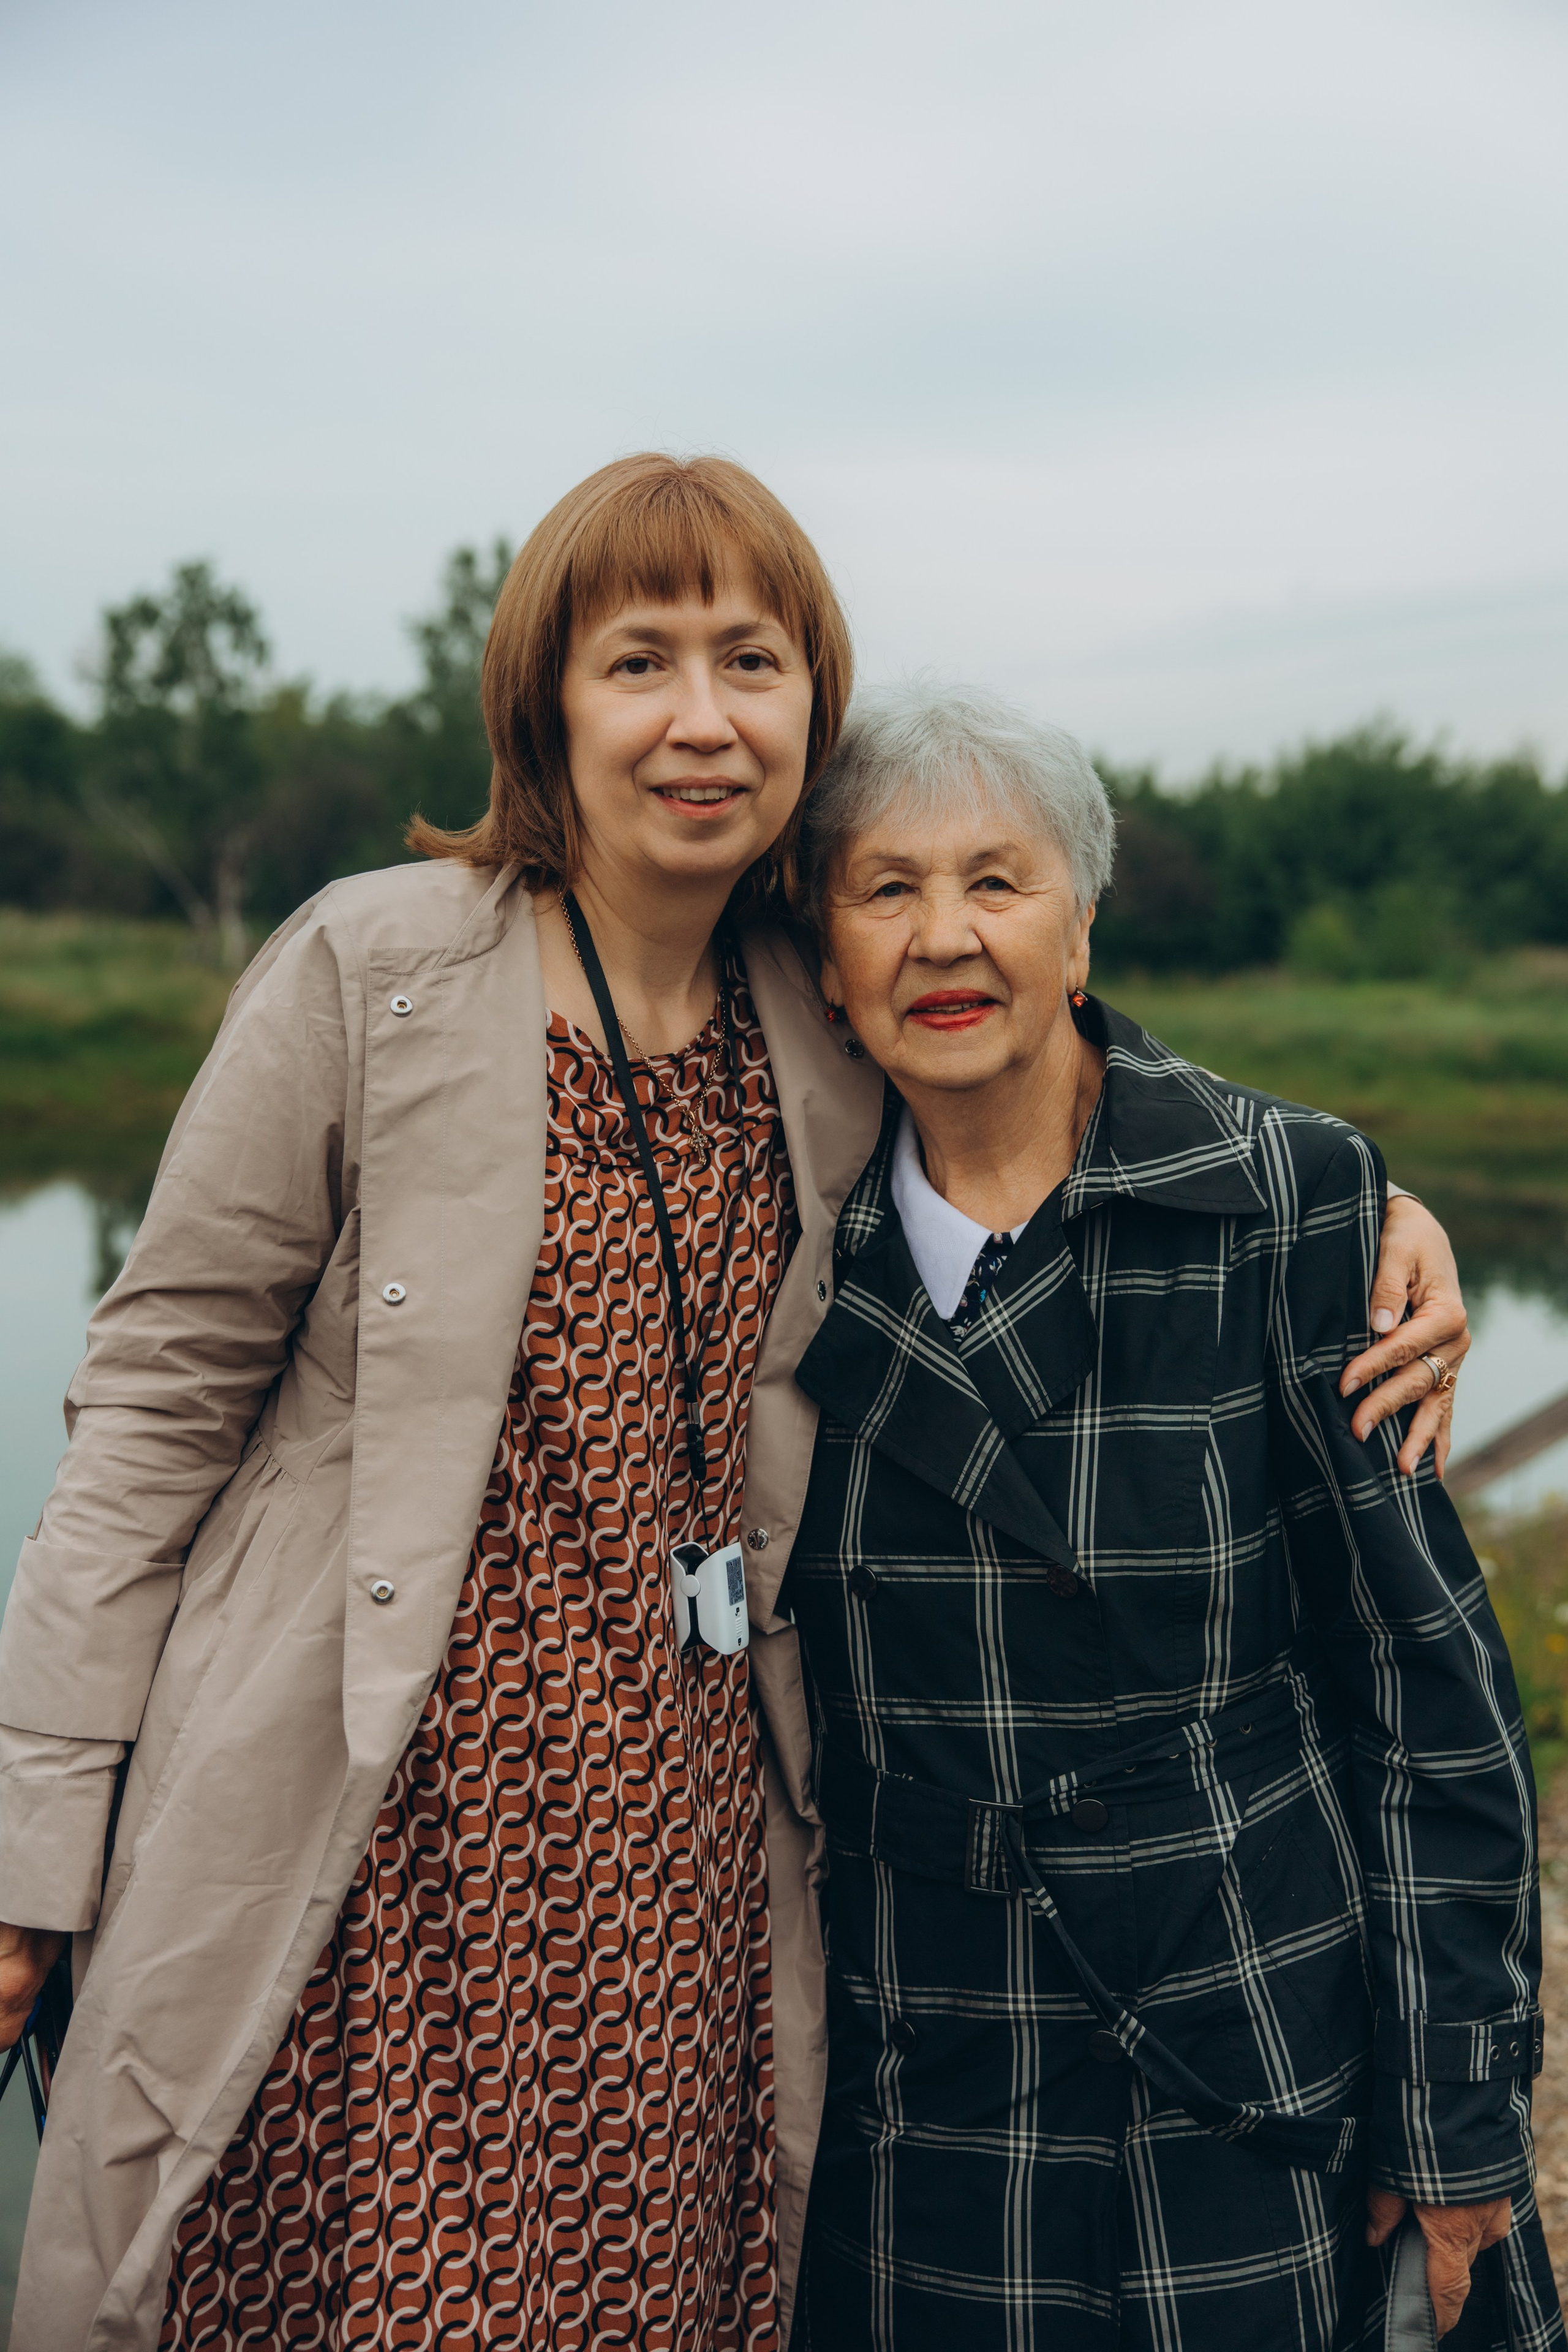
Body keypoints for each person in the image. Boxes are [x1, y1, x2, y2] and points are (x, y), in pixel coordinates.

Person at [0, 461, 1468, 2352]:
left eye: (752, 660)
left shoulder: (813, 999)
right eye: (640, 662)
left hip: (691, 1880)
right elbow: (144, 1424)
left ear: (809, 709)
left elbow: (1030, 1018)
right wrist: (34, 1850)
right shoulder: (367, 974)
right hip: (372, 1861)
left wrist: (1363, 1201)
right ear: (549, 706)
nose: (701, 716)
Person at [782, 682, 1558, 2351]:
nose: (945, 938)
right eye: (886, 889)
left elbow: (1429, 1706)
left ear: (1081, 928)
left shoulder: (1287, 1199)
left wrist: (1458, 2122)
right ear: (825, 962)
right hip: (926, 2085)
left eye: (999, 881)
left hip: (1258, 2061)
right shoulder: (777, 1239)